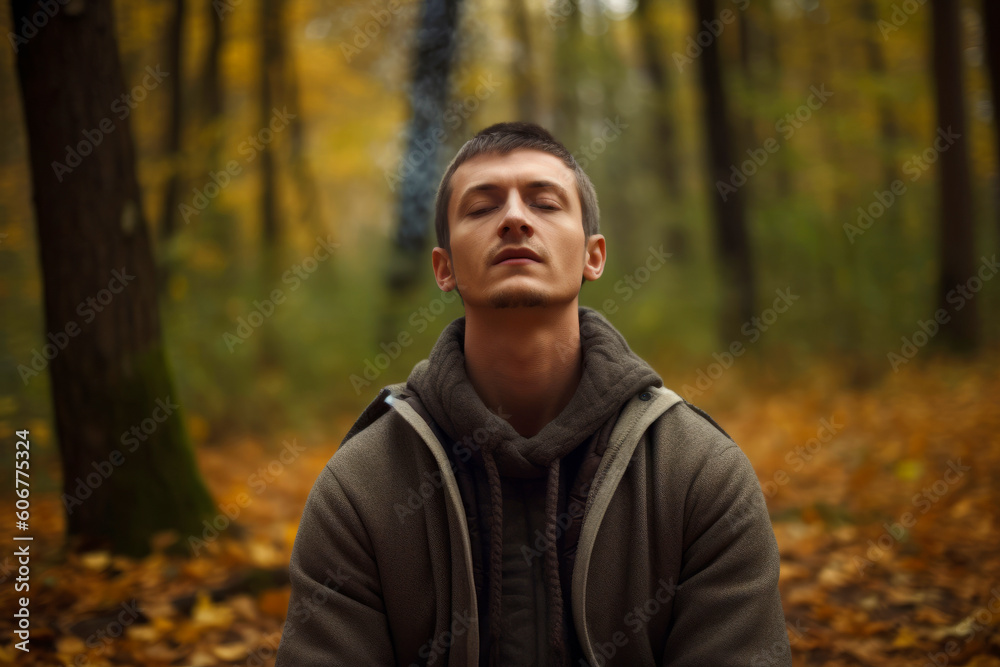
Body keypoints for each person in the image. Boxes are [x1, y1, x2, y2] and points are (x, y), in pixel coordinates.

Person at [274, 122, 791, 666]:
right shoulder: (360, 488)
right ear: (444, 268)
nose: (515, 219)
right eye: (480, 209)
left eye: (545, 203)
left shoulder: (698, 474)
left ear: (594, 256)